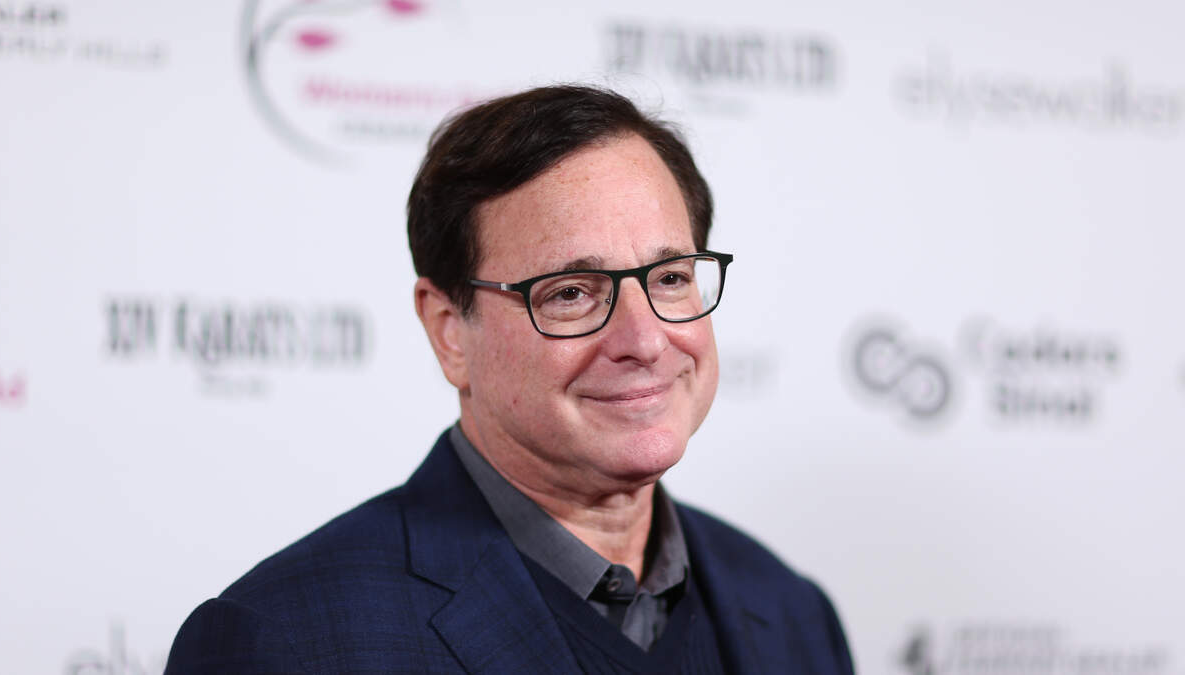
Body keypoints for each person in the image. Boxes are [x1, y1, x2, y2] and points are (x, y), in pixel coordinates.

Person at [166, 85, 854, 674]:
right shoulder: (285, 641)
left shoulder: (792, 613)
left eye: (670, 278)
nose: (645, 341)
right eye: (570, 293)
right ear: (449, 331)